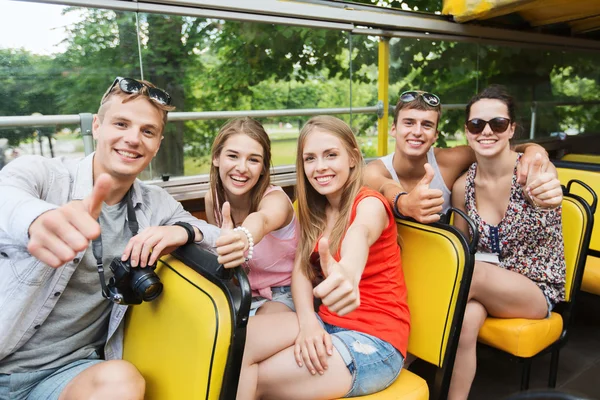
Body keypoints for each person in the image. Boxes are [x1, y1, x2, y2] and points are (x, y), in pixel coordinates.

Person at [0, 77, 220, 400]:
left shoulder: (156, 204)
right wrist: (37, 220)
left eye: (148, 131)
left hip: (68, 375)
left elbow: (222, 239)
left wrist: (184, 230)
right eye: (121, 123)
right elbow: (7, 195)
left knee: (125, 381)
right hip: (7, 357)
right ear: (96, 126)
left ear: (158, 143)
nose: (133, 139)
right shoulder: (44, 176)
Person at [236, 116, 410, 399]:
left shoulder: (369, 204)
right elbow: (302, 272)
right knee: (236, 346)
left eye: (331, 155)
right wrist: (308, 322)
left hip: (375, 340)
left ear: (353, 157)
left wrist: (349, 272)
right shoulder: (313, 211)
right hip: (326, 322)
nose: (320, 167)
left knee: (256, 378)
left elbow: (361, 233)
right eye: (310, 158)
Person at [449, 85, 565, 400]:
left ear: (511, 129)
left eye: (497, 124)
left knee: (466, 274)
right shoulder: (463, 187)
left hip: (534, 288)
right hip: (486, 285)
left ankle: (399, 356)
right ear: (468, 132)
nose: (486, 131)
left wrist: (551, 190)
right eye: (477, 125)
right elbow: (461, 247)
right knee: (467, 319)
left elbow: (550, 187)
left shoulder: (534, 171)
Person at [364, 90, 557, 223]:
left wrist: (534, 150)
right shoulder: (375, 170)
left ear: (435, 136)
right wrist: (404, 203)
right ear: (394, 129)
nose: (417, 131)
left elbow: (496, 146)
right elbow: (385, 186)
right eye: (409, 123)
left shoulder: (451, 160)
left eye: (427, 125)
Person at [205, 117, 298, 316]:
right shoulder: (212, 200)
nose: (242, 168)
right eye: (233, 156)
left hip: (283, 293)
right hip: (239, 290)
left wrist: (243, 236)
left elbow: (262, 220)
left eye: (253, 159)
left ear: (264, 167)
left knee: (243, 339)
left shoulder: (276, 200)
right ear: (216, 158)